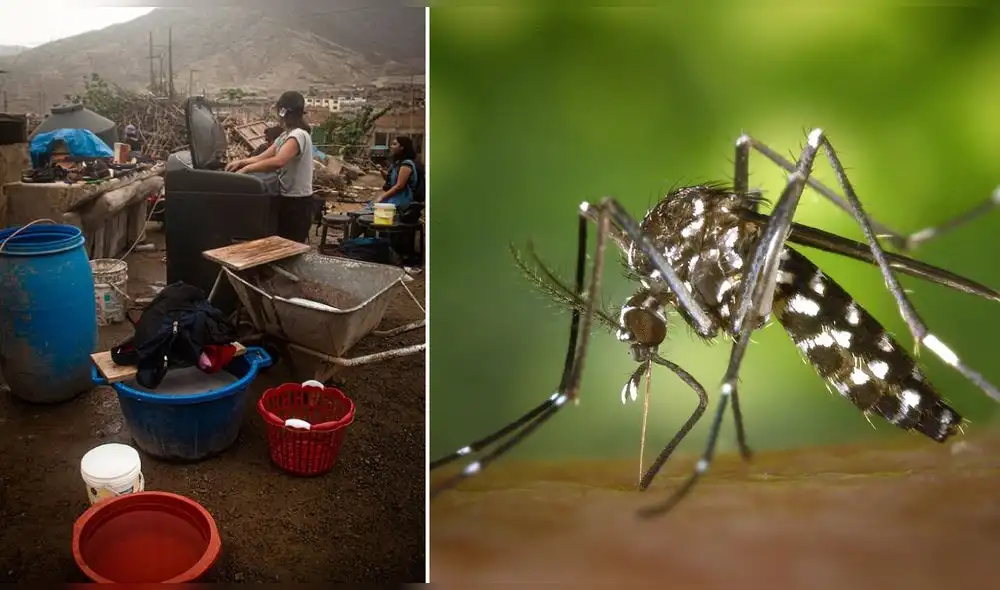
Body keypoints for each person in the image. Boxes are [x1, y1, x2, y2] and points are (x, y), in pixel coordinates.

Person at [224, 91, 315, 243]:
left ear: (283, 112)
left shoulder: (299, 135)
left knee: (291, 247)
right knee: (282, 244)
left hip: (298, 203)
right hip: (286, 199)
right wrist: (240, 163)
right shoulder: (285, 136)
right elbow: (262, 157)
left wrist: (247, 170)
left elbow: (279, 161)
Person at [375, 136, 421, 206]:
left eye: (394, 144)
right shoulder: (397, 162)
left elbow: (399, 186)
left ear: (402, 147)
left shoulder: (406, 164)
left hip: (403, 199)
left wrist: (382, 197)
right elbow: (389, 179)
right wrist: (381, 170)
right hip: (395, 197)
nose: (391, 146)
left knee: (373, 208)